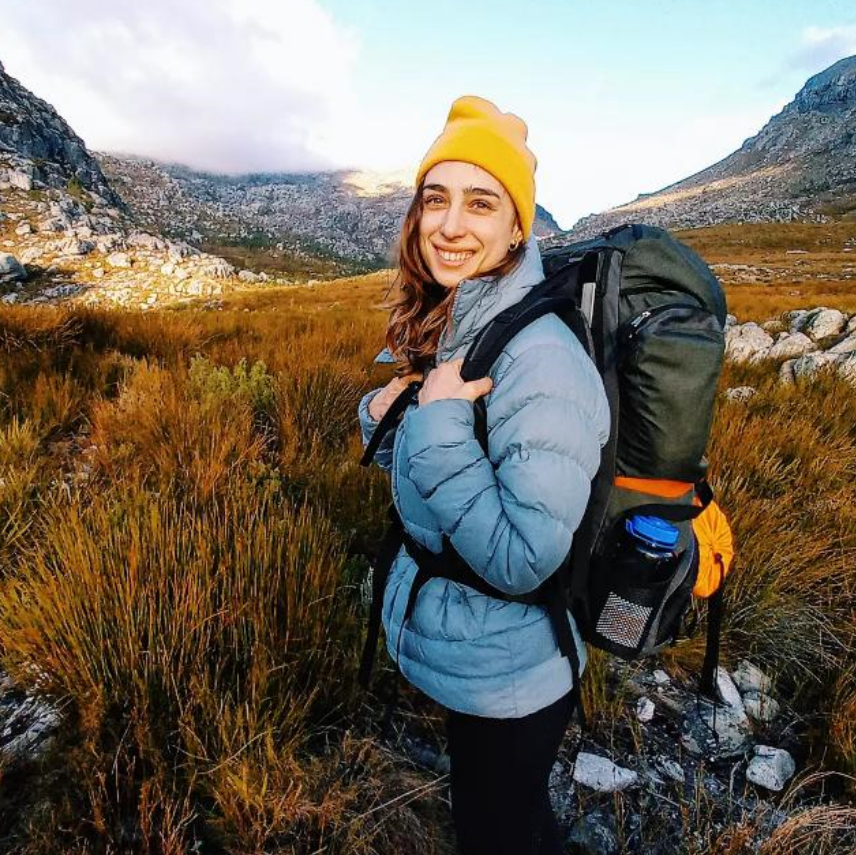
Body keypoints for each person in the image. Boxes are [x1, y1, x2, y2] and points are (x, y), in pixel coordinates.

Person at [357, 95, 610, 855]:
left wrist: (435, 424)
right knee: (506, 816)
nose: (450, 225)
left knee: (494, 830)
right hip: (480, 655)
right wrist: (386, 415)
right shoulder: (456, 318)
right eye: (436, 198)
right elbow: (434, 462)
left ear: (517, 227)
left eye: (480, 203)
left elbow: (524, 556)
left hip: (514, 673)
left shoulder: (543, 359)